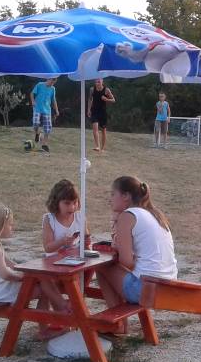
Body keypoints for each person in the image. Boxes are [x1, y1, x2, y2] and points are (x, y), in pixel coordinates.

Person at [0, 204, 69, 339]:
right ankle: (56, 315)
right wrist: (22, 277)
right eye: (10, 225)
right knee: (44, 289)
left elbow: (12, 264)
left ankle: (58, 310)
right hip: (1, 293)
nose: (13, 227)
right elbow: (5, 274)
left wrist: (27, 271)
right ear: (0, 226)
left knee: (41, 278)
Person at [95, 177, 177, 308]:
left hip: (145, 289)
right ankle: (117, 324)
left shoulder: (127, 216)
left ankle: (117, 325)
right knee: (115, 272)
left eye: (113, 194)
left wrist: (119, 248)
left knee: (102, 266)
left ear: (126, 196)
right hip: (169, 286)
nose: (110, 199)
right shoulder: (154, 213)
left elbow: (127, 262)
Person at [42, 179, 91, 254]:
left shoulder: (80, 217)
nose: (72, 207)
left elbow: (86, 244)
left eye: (75, 202)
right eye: (67, 203)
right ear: (56, 202)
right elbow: (47, 248)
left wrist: (86, 242)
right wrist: (62, 242)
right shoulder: (49, 220)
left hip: (75, 259)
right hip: (53, 261)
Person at [30, 78, 59, 153]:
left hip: (47, 110)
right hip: (37, 108)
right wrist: (33, 101)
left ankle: (44, 145)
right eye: (52, 81)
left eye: (54, 82)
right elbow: (32, 93)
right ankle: (37, 133)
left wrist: (56, 110)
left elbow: (54, 99)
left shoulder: (53, 89)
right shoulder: (40, 85)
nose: (52, 83)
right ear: (48, 79)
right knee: (35, 123)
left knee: (47, 128)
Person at [87, 78, 116, 152]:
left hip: (103, 112)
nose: (97, 83)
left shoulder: (106, 90)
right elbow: (90, 99)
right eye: (96, 82)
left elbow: (113, 100)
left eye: (99, 82)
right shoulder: (92, 89)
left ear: (102, 82)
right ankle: (97, 146)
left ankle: (102, 148)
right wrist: (89, 109)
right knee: (95, 128)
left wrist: (106, 99)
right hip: (94, 111)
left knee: (103, 130)